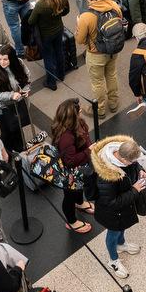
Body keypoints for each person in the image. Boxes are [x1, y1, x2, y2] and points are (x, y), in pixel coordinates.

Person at [91, 134, 146, 279]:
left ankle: (121, 244)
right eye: (132, 162)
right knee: (113, 233)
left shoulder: (124, 153)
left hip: (124, 209)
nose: (135, 163)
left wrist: (140, 171)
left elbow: (134, 165)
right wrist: (135, 190)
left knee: (122, 227)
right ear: (124, 159)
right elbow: (112, 202)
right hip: (111, 213)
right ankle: (113, 260)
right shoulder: (107, 176)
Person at [50, 100, 95, 234]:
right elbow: (70, 161)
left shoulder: (77, 124)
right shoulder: (66, 137)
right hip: (70, 173)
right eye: (79, 111)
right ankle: (71, 221)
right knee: (69, 196)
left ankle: (80, 203)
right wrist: (89, 151)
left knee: (79, 188)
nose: (81, 111)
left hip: (80, 169)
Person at [0, 44, 35, 153]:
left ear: (12, 58)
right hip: (3, 110)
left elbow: (27, 77)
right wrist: (11, 95)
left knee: (17, 129)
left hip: (18, 105)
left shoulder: (19, 63)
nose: (1, 62)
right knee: (7, 133)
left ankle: (19, 151)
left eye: (5, 59)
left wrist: (26, 89)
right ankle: (4, 153)